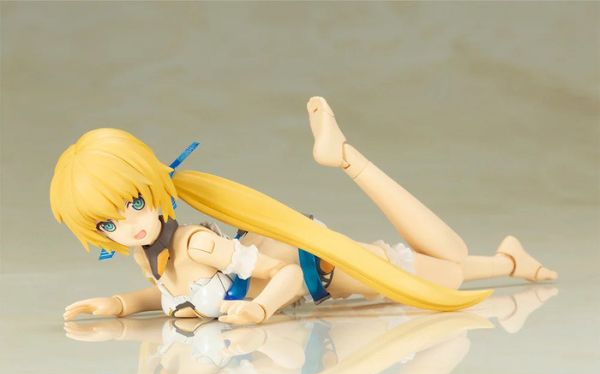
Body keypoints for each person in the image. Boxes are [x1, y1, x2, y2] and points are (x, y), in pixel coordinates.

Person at [54, 97, 557, 324]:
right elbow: (169, 291)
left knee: (447, 268)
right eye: (108, 223)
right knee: (436, 264)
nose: (130, 225)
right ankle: (512, 261)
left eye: (135, 203)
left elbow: (289, 276)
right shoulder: (147, 257)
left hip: (322, 266)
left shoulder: (199, 244)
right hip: (320, 270)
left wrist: (261, 309)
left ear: (152, 187)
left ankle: (347, 159)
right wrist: (118, 304)